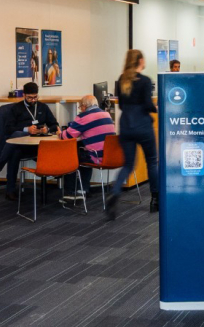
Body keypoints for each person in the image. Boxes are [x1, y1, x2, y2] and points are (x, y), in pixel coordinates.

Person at [106, 49, 159, 219]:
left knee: (128, 164)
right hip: (143, 125)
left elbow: (121, 105)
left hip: (126, 126)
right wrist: (156, 109)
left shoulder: (122, 79)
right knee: (152, 161)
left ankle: (115, 191)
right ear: (140, 61)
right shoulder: (145, 81)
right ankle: (155, 199)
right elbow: (147, 105)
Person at [0, 82, 60, 199]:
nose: (33, 100)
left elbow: (55, 125)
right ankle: (10, 190)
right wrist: (27, 129)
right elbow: (8, 129)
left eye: (35, 97)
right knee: (16, 146)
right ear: (24, 95)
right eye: (30, 98)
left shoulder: (43, 107)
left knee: (14, 147)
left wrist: (47, 129)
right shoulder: (16, 109)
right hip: (22, 144)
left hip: (38, 145)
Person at [59, 94, 115, 202]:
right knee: (82, 153)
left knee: (70, 156)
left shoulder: (84, 117)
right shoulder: (106, 114)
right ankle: (83, 189)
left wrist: (59, 133)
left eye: (80, 107)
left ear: (84, 106)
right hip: (109, 156)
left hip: (96, 156)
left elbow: (67, 136)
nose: (80, 109)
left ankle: (71, 193)